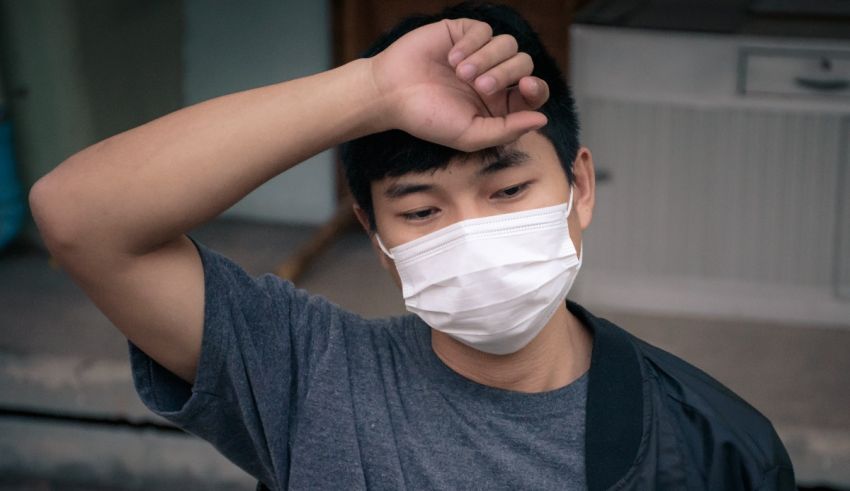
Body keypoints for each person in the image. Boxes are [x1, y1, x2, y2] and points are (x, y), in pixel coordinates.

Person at [29, 2, 795, 490]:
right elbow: (79, 215)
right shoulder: (312, 377)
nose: (472, 234)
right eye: (423, 210)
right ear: (376, 234)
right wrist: (370, 92)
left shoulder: (716, 445)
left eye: (507, 193)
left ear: (579, 188)